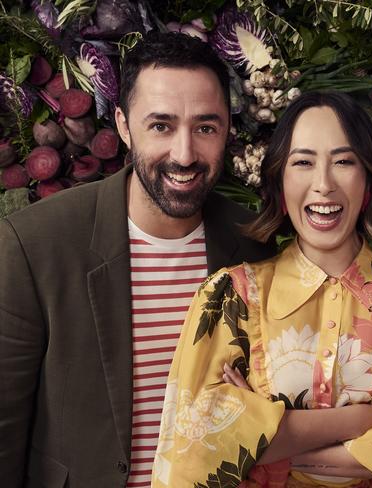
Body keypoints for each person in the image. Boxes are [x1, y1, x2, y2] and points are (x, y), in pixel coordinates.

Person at [151, 91, 372, 487]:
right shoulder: (230, 299)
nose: (323, 184)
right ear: (280, 182)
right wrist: (360, 422)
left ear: (368, 181)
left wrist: (266, 436)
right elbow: (192, 451)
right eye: (303, 162)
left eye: (343, 162)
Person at [0, 32, 273, 487]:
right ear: (124, 126)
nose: (184, 154)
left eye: (205, 127)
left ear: (227, 128)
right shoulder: (35, 245)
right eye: (161, 126)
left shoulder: (256, 245)